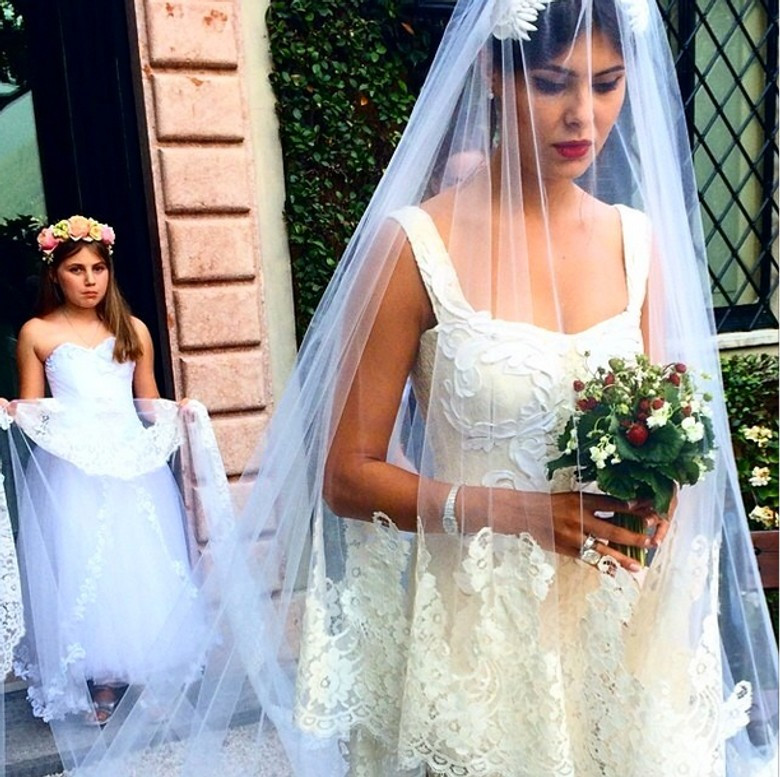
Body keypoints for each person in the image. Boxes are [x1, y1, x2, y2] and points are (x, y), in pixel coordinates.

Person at [67, 1, 777, 775]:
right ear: (494, 73)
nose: (584, 113)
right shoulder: (413, 247)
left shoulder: (637, 244)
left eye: (607, 84)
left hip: (619, 637)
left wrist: (660, 498)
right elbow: (347, 475)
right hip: (482, 648)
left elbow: (669, 429)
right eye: (553, 82)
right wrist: (522, 513)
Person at [1, 215, 213, 732]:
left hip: (131, 466)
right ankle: (101, 679)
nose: (90, 280)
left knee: (139, 565)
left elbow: (147, 401)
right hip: (72, 469)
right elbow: (34, 405)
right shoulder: (37, 333)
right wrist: (12, 411)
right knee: (85, 568)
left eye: (98, 268)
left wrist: (179, 411)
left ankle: (151, 670)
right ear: (55, 274)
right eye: (76, 270)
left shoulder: (131, 329)